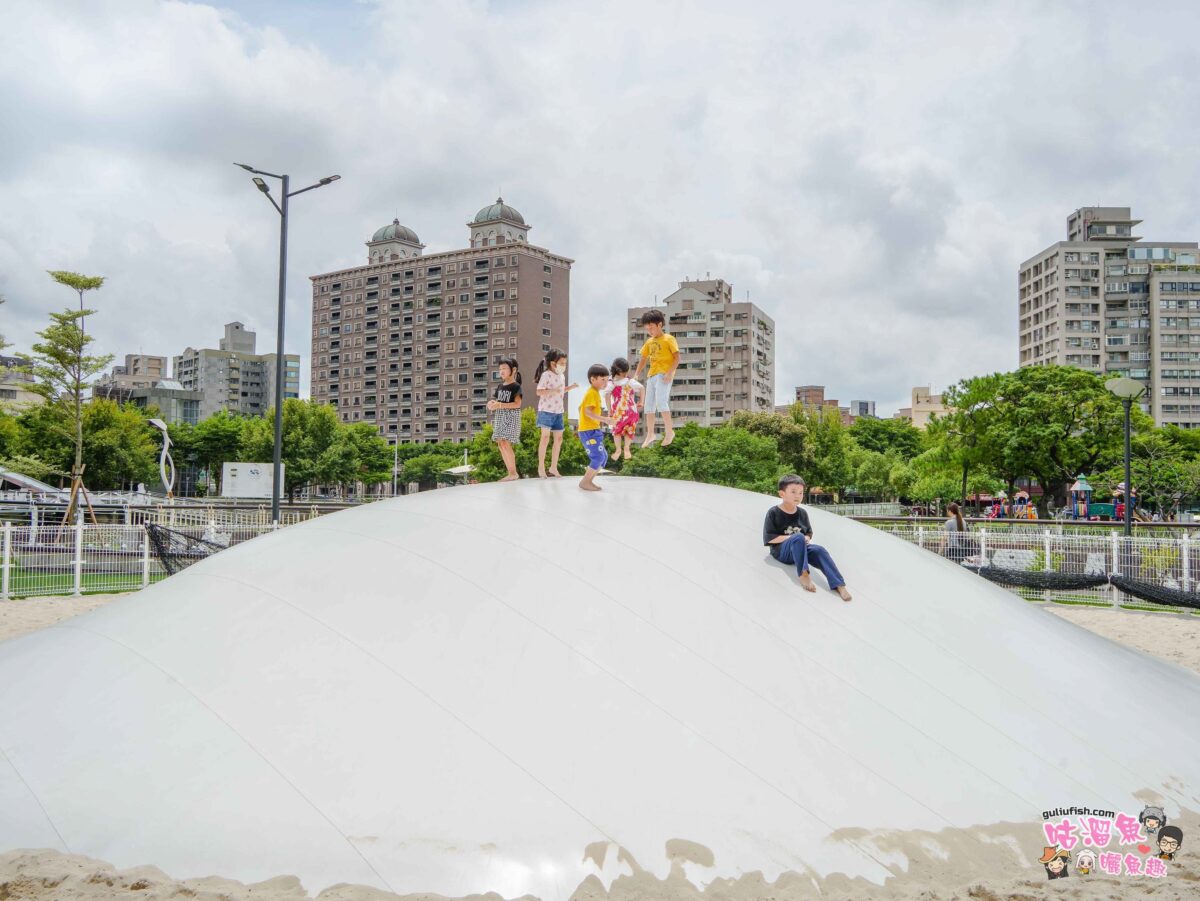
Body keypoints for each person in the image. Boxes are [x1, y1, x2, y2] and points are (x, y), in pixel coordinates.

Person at [763, 474, 852, 601]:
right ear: (782, 494)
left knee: (819, 550)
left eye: (800, 493)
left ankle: (839, 584)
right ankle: (804, 574)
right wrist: (794, 538)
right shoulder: (774, 512)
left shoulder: (802, 513)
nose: (797, 496)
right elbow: (769, 538)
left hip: (800, 547)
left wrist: (806, 539)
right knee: (798, 537)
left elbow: (808, 533)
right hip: (782, 551)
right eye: (793, 492)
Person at [632, 309, 679, 448]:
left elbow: (677, 358)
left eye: (651, 327)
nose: (649, 331)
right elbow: (643, 359)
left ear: (659, 324)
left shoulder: (669, 339)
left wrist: (670, 373)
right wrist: (636, 374)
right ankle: (650, 434)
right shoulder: (649, 342)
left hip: (663, 375)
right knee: (649, 406)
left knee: (661, 402)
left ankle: (669, 432)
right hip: (651, 376)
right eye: (647, 329)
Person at [533, 348, 577, 479]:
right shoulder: (546, 375)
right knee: (545, 438)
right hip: (546, 410)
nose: (564, 366)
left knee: (559, 439)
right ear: (553, 363)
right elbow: (539, 391)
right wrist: (553, 390)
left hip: (558, 411)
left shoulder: (562, 376)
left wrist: (570, 388)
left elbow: (560, 391)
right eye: (562, 363)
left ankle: (553, 467)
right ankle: (541, 467)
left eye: (565, 363)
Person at [577, 364, 616, 492]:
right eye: (602, 379)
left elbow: (581, 408)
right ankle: (585, 482)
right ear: (593, 379)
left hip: (592, 430)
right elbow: (587, 412)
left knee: (603, 456)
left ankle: (589, 481)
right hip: (588, 431)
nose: (605, 382)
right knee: (598, 457)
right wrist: (605, 419)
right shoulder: (592, 393)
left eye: (607, 379)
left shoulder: (594, 393)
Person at [486, 356, 522, 482]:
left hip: (511, 416)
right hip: (500, 415)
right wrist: (492, 403)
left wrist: (499, 405)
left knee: (506, 443)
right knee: (500, 443)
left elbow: (517, 404)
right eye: (500, 368)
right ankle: (510, 472)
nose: (501, 371)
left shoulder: (516, 386)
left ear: (513, 370)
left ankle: (513, 473)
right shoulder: (500, 386)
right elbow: (498, 401)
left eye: (505, 368)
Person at [604, 357, 643, 462]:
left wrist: (609, 409)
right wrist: (641, 402)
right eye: (625, 372)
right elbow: (642, 388)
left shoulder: (611, 382)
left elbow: (607, 395)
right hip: (631, 410)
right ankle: (627, 448)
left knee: (617, 431)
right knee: (629, 430)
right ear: (619, 371)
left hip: (619, 410)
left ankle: (618, 450)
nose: (626, 374)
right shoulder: (630, 381)